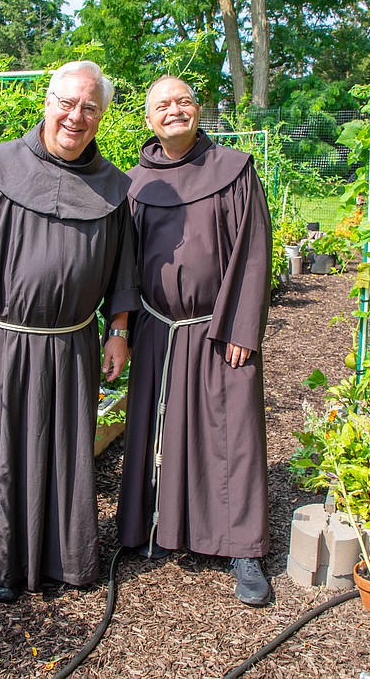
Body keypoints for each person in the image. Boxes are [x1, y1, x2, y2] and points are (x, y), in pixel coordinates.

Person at [0, 61, 137, 602]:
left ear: (102, 116)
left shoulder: (115, 188)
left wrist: (117, 330)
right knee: (0, 450)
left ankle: (63, 559)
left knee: (67, 451)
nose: (77, 116)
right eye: (68, 103)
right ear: (47, 103)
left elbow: (123, 269)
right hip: (3, 341)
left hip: (72, 343)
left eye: (90, 108)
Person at [116, 76, 273, 606]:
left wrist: (243, 326)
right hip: (157, 325)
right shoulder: (135, 183)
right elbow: (121, 265)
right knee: (158, 428)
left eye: (183, 101)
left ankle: (242, 547)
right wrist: (124, 328)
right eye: (162, 105)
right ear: (148, 120)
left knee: (234, 436)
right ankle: (157, 528)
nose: (174, 110)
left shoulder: (233, 170)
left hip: (219, 326)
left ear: (198, 109)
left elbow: (254, 252)